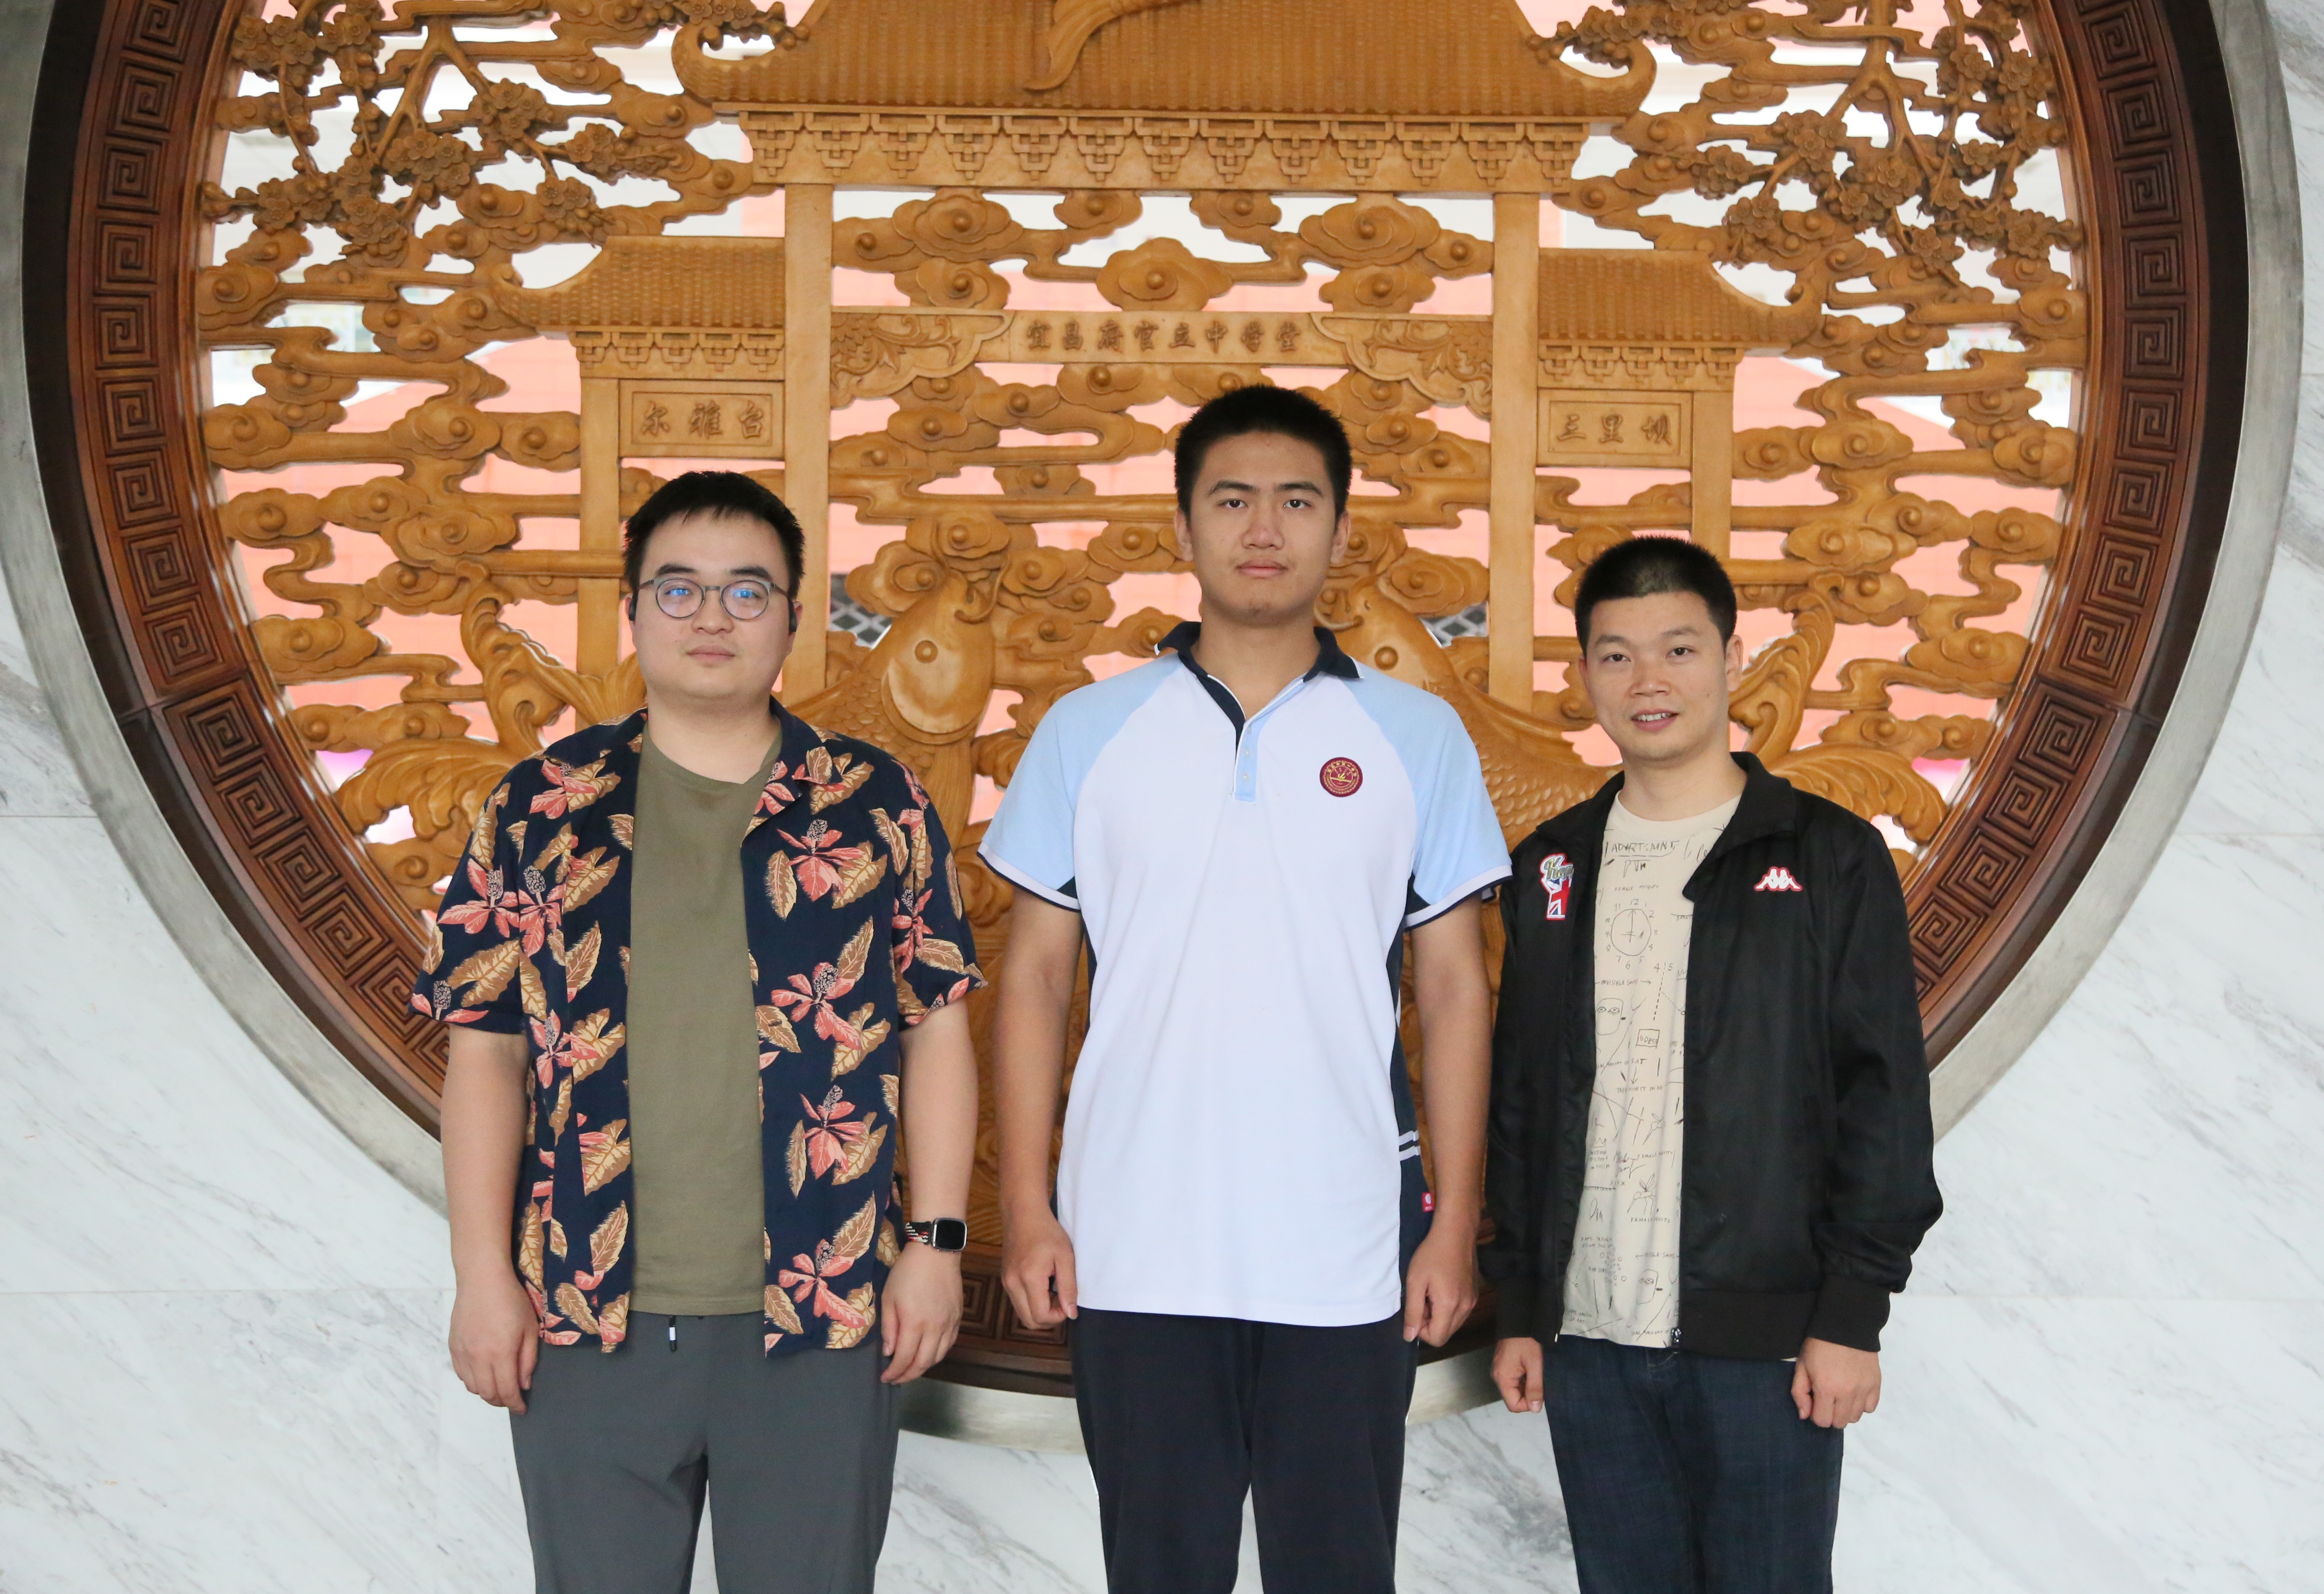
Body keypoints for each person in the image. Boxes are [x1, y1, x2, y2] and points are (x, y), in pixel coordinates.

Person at [414, 470, 984, 1594]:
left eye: (746, 591)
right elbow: (486, 1052)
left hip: (826, 1310)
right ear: (633, 610)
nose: (712, 617)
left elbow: (937, 1031)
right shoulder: (540, 806)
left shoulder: (877, 803)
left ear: (794, 616)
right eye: (679, 590)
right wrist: (482, 1276)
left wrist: (937, 1246)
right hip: (587, 1314)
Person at [981, 385, 1510, 1594]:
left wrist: (1450, 1227)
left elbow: (1455, 992)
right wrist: (1027, 1207)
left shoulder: (1415, 737)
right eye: (1232, 501)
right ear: (1184, 527)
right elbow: (1036, 979)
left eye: (1296, 502)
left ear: (1340, 529)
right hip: (1134, 1242)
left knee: (1339, 1572)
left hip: (1345, 1245)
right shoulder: (1088, 731)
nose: (1263, 529)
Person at [1482, 535, 1942, 1594]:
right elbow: (1524, 1099)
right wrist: (1523, 1306)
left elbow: (1883, 1097)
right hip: (1590, 1343)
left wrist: (1850, 1316)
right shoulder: (1553, 862)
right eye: (1617, 655)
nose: (1648, 681)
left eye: (1679, 649)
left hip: (1767, 1344)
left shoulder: (1826, 853)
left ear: (1733, 658)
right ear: (1584, 675)